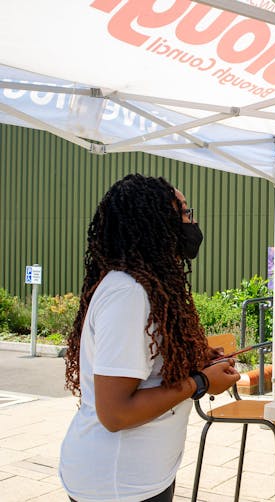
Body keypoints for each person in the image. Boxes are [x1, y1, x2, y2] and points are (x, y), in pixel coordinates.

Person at [59, 174, 240, 502]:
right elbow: (115, 414)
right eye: (184, 212)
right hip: (116, 484)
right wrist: (200, 382)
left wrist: (193, 361)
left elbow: (147, 371)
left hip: (143, 475)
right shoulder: (127, 293)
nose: (192, 221)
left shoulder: (146, 286)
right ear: (155, 223)